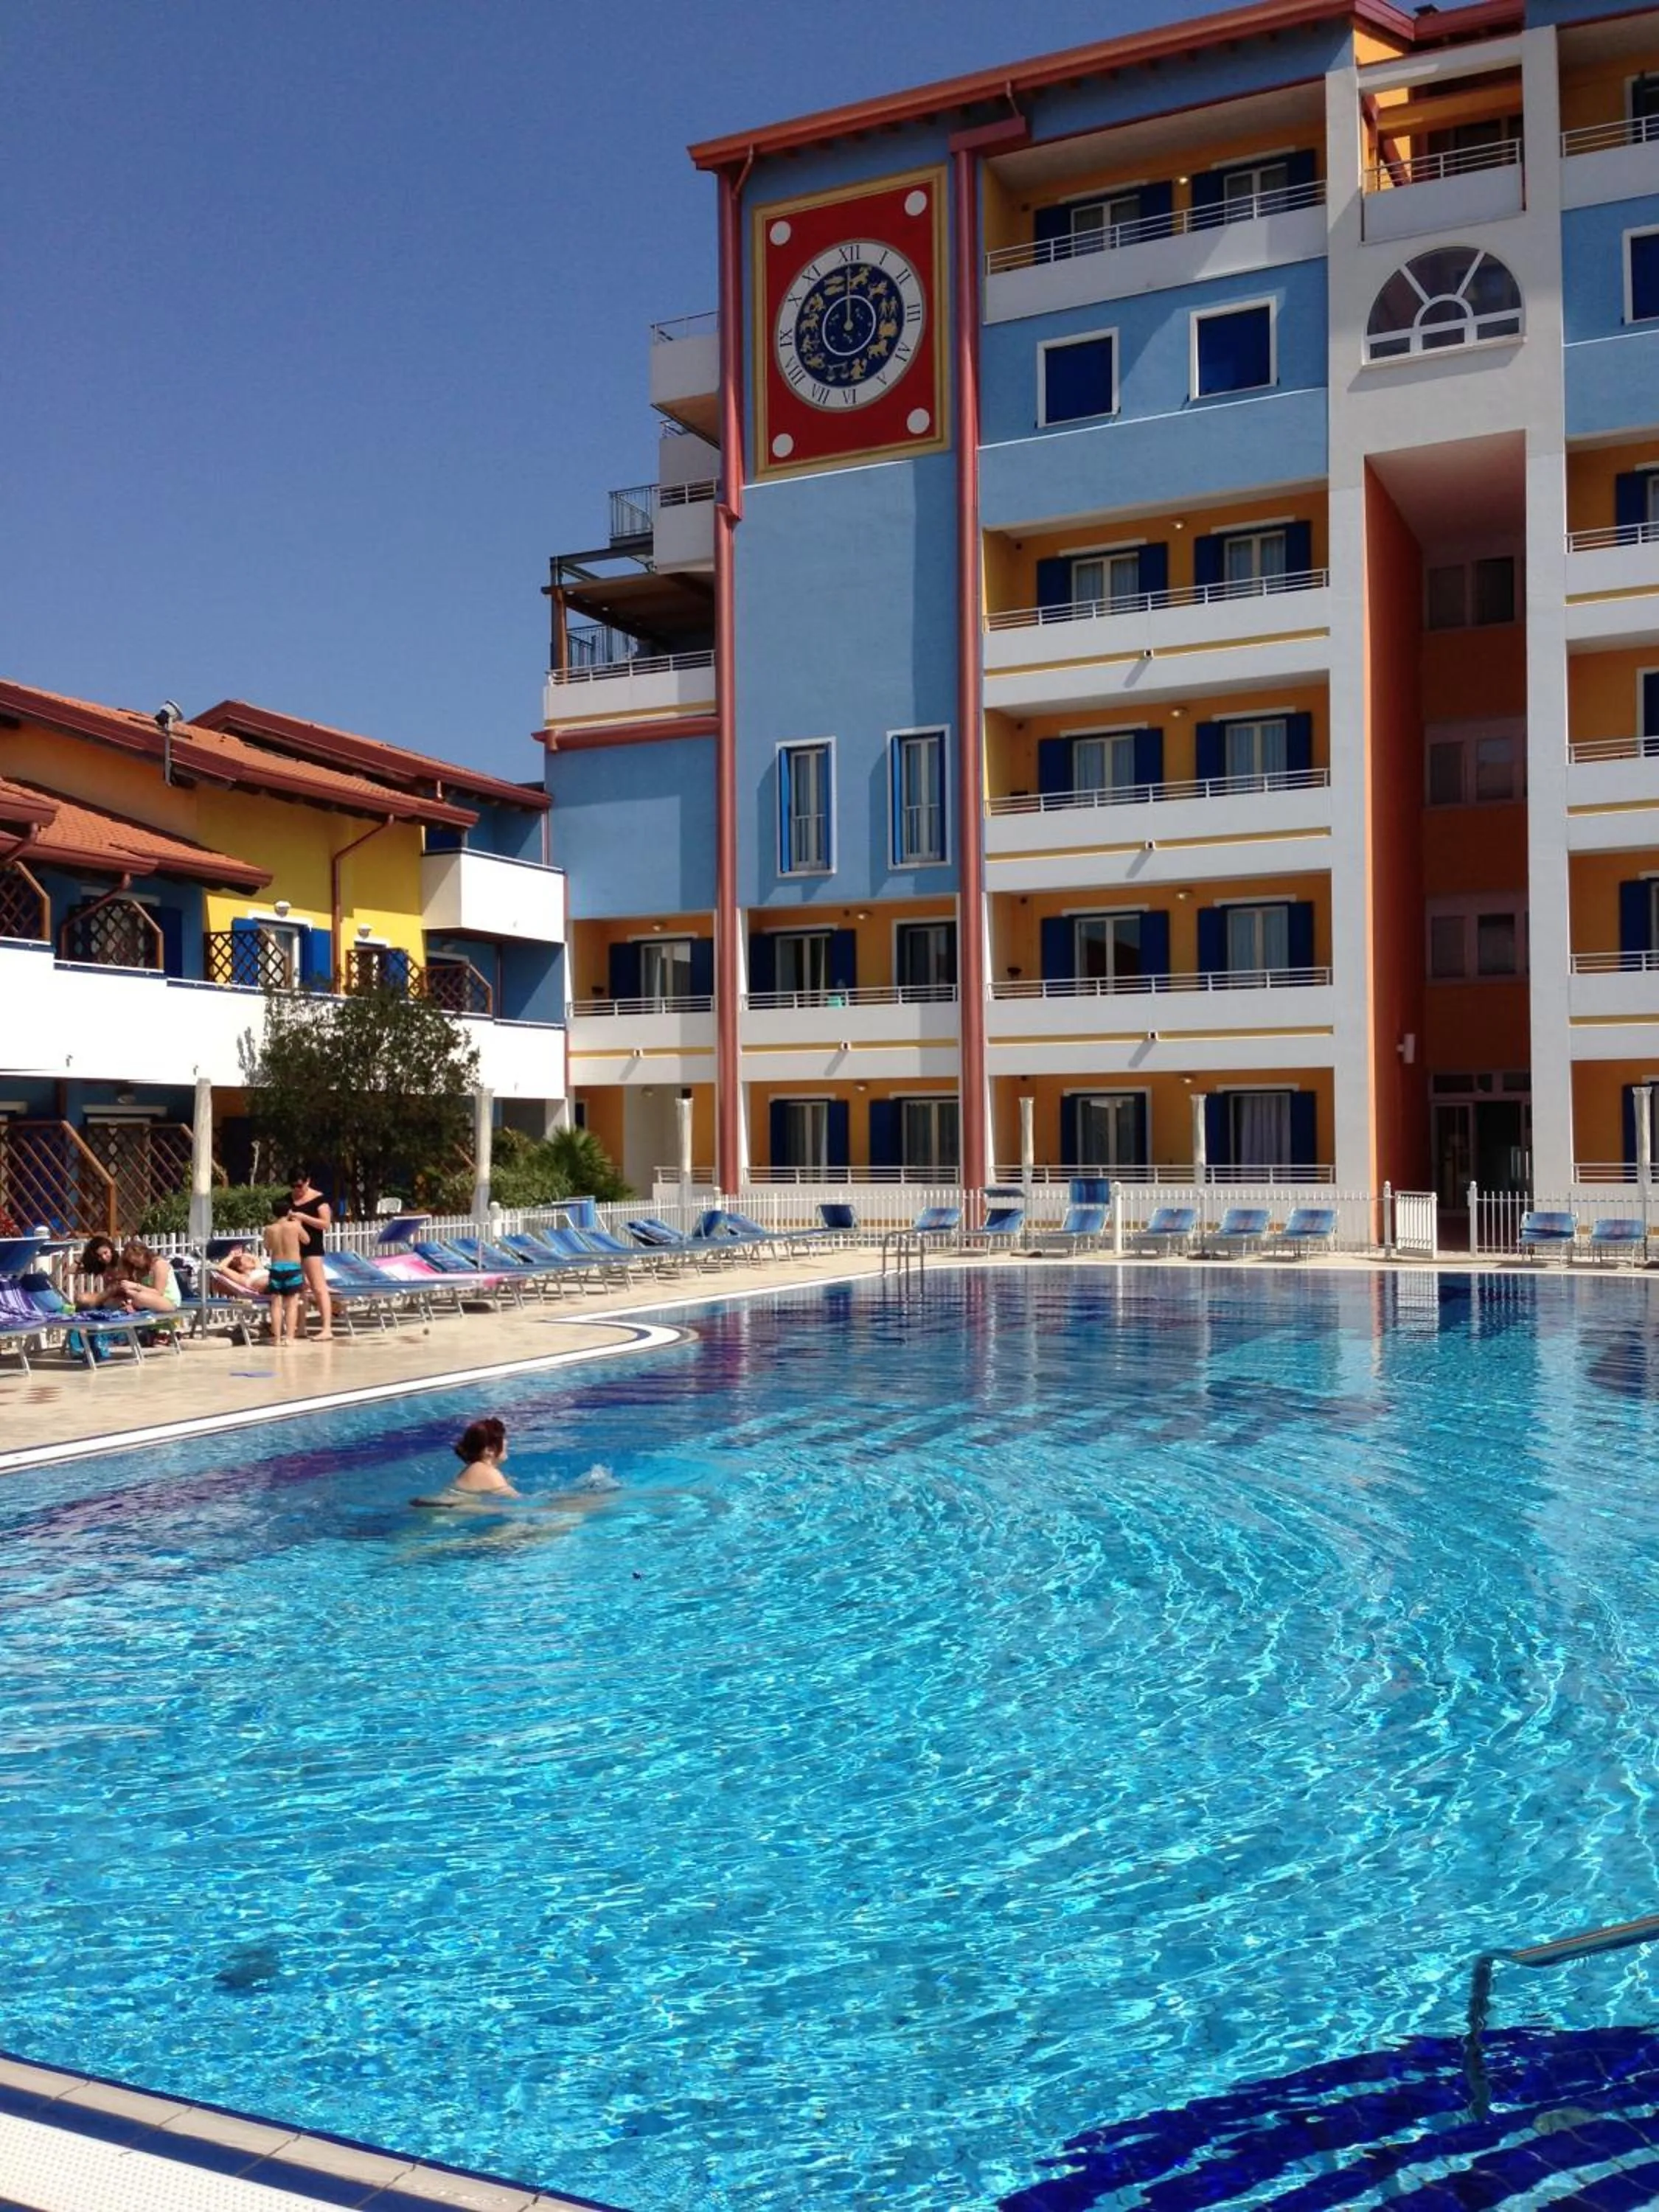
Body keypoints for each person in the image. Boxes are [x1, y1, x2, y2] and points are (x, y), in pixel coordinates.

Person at [412, 1416, 519, 1506]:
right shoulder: (489, 1473)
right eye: (503, 1439)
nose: (506, 1442)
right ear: (490, 1450)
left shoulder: (475, 1469)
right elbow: (519, 1503)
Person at [288, 1171, 333, 1341]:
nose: (297, 1190)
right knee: (298, 1288)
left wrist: (303, 1218)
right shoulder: (288, 1198)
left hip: (312, 1246)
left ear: (308, 1182)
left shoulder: (319, 1199)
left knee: (318, 1287)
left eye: (300, 1186)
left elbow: (325, 1224)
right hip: (292, 1248)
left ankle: (327, 1328)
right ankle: (300, 1327)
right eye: (293, 1186)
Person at [93, 1239, 183, 1318]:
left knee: (140, 1297)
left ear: (143, 1254)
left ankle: (133, 1306)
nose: (135, 1264)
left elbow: (159, 1292)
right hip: (148, 1299)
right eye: (132, 1262)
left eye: (136, 1260)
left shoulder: (159, 1265)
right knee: (119, 1298)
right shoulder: (140, 1269)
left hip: (168, 1301)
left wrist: (135, 1286)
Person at [262, 1198, 307, 1348]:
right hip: (293, 1267)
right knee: (292, 1304)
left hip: (276, 1267)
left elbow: (267, 1246)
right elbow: (306, 1240)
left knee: (276, 1304)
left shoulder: (270, 1229)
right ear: (289, 1211)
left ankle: (276, 1339)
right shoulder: (295, 1226)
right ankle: (289, 1338)